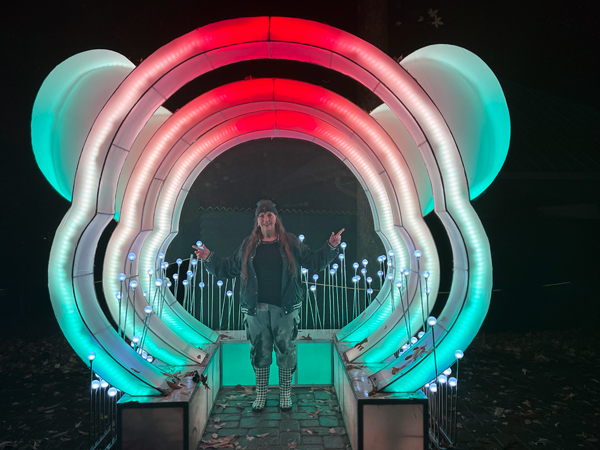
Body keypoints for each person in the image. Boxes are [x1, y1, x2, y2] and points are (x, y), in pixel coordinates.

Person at [193, 200, 343, 412]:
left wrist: (331, 246)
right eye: (261, 215)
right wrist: (209, 257)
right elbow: (230, 267)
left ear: (276, 218)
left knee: (286, 350)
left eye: (269, 215)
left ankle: (285, 394)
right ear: (257, 221)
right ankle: (261, 394)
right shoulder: (249, 244)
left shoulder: (290, 242)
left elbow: (313, 261)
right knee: (260, 351)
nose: (265, 219)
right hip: (256, 309)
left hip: (286, 308)